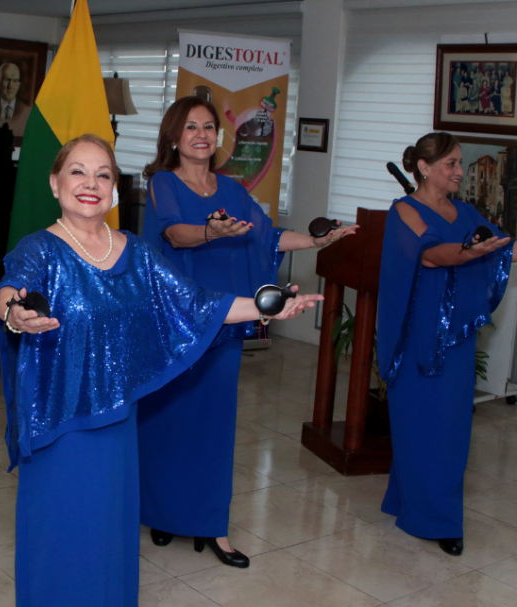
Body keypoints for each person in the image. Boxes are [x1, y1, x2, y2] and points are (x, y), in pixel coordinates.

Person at [0, 133, 322, 606]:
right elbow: (13, 290)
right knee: (63, 536)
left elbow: (194, 303)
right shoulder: (40, 248)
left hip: (116, 424)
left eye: (102, 174)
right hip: (60, 424)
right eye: (77, 172)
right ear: (55, 183)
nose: (90, 183)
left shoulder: (135, 252)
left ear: (113, 188)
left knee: (109, 537)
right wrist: (15, 313)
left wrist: (266, 306)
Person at [137, 96, 357, 567]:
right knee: (169, 420)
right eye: (191, 127)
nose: (201, 135)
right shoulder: (162, 183)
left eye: (208, 127)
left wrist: (315, 240)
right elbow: (174, 233)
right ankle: (162, 513)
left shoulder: (233, 190)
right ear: (173, 136)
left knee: (214, 425)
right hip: (176, 321)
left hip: (225, 319)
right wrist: (210, 233)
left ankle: (213, 526)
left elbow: (267, 236)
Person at [378, 132, 517, 556]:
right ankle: (432, 519)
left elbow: (503, 247)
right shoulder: (404, 210)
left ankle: (419, 505)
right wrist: (468, 252)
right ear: (424, 167)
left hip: (456, 334)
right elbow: (431, 254)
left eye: (460, 163)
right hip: (420, 335)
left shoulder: (463, 211)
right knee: (421, 422)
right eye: (452, 164)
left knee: (451, 426)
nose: (460, 171)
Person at [0, 62, 32, 138]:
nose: (10, 86)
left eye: (15, 81)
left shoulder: (27, 112)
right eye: (6, 80)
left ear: (19, 85)